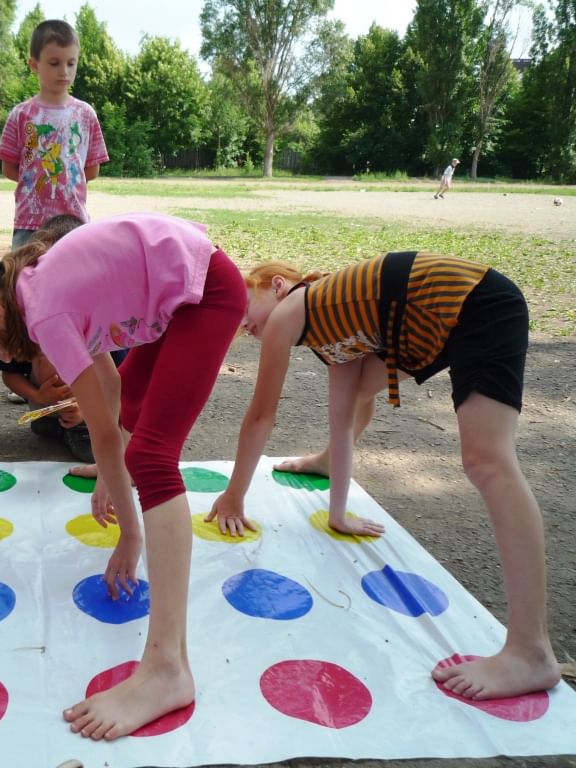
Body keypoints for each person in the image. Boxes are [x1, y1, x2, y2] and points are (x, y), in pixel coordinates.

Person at [0, 212, 248, 740]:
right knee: (136, 431)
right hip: (183, 288)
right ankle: (170, 661)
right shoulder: (37, 283)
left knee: (152, 457)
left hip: (204, 292)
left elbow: (102, 430)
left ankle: (168, 667)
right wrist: (108, 478)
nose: (3, 359)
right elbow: (112, 386)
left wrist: (129, 530)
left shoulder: (43, 315)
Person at [206, 252, 561, 702]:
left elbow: (261, 416)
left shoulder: (294, 311)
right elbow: (346, 415)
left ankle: (530, 650)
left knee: (488, 461)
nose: (244, 327)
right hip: (457, 309)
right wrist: (337, 513)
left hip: (474, 303)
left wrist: (235, 495)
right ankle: (323, 461)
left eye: (244, 309)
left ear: (277, 285)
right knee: (362, 395)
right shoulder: (335, 327)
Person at [0, 214, 97, 464]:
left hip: (94, 401)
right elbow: (10, 373)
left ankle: (80, 425)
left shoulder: (94, 307)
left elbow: (120, 378)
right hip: (46, 400)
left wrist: (87, 409)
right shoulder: (28, 307)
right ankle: (54, 418)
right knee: (47, 350)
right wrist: (39, 396)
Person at [0, 19, 108, 251]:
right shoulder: (21, 114)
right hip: (30, 223)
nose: (64, 71)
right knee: (22, 282)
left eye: (71, 63)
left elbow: (91, 170)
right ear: (34, 64)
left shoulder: (85, 114)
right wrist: (39, 183)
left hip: (74, 223)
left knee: (73, 283)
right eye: (55, 63)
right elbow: (9, 168)